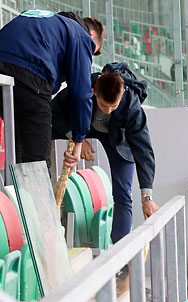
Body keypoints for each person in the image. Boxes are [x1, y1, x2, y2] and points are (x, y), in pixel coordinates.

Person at [52, 59, 158, 243]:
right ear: (94, 93)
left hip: (117, 139)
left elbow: (144, 151)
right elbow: (53, 111)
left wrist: (147, 196)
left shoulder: (132, 106)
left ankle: (120, 250)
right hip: (84, 127)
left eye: (113, 106)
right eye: (103, 105)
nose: (108, 111)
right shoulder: (82, 88)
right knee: (42, 126)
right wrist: (76, 137)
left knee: (123, 195)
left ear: (122, 94)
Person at [0, 12, 103, 173]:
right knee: (36, 161)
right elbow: (81, 93)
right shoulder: (80, 35)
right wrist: (78, 140)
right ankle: (35, 196)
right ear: (91, 34)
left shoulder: (44, 21)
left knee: (17, 147)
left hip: (5, 71)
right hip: (30, 75)